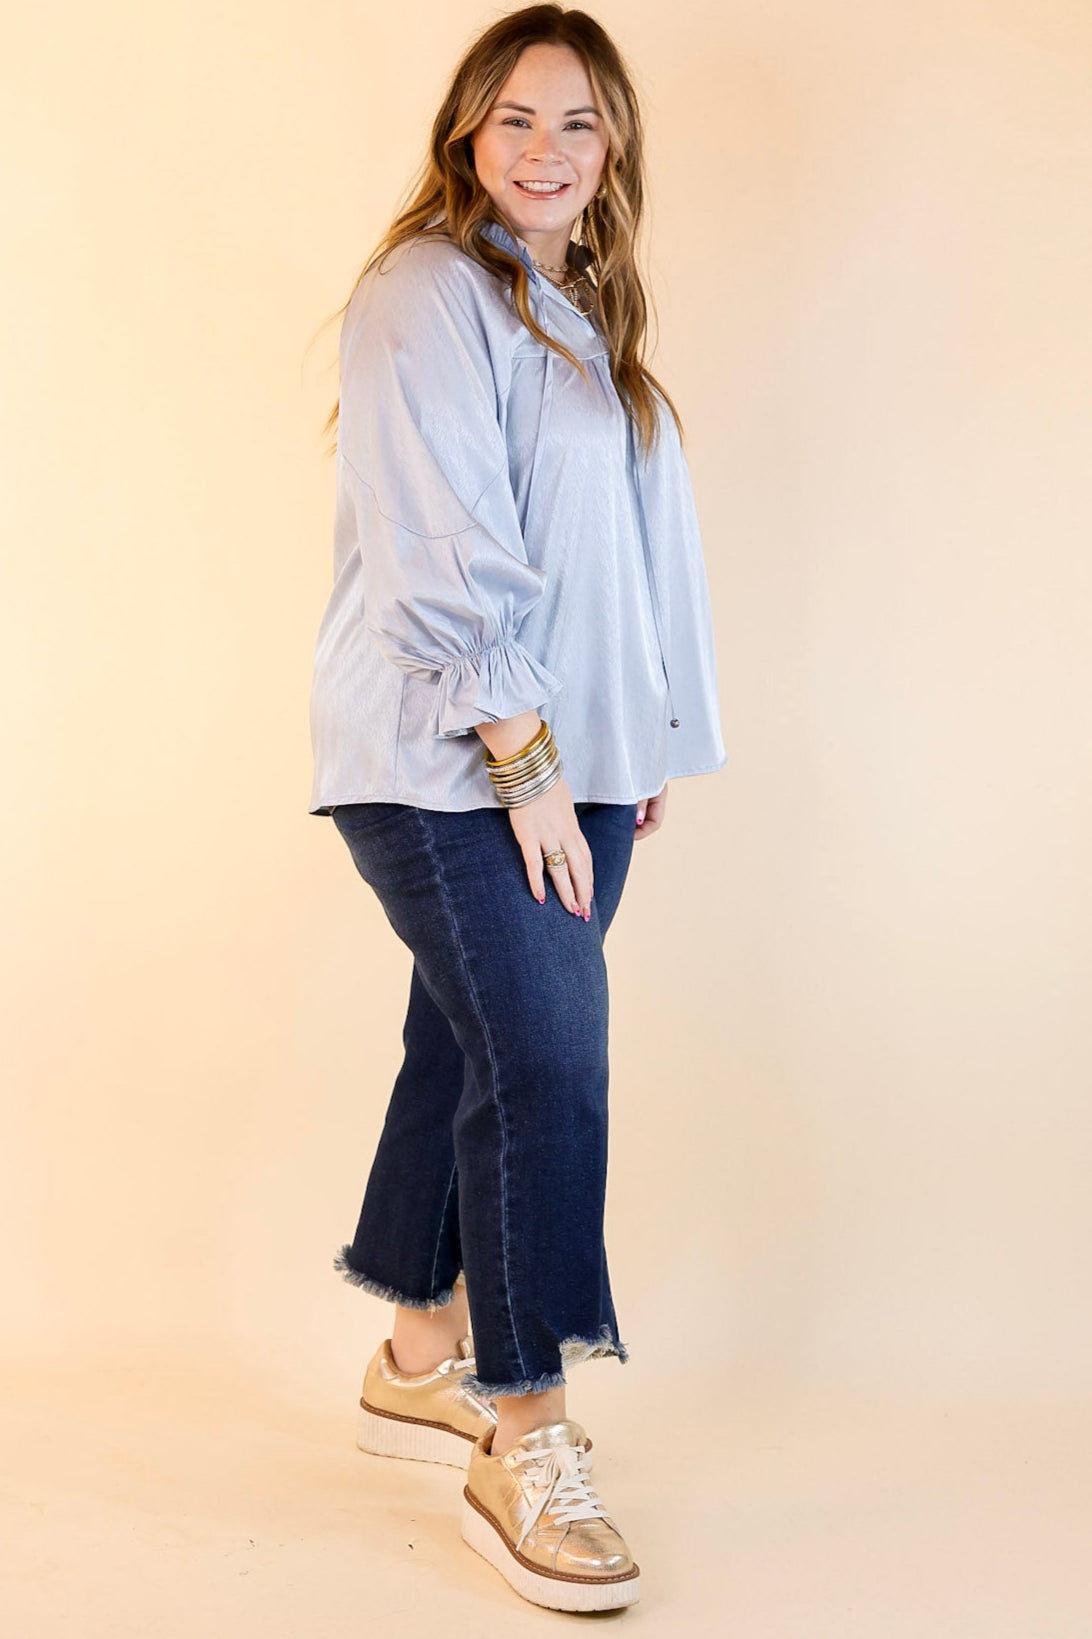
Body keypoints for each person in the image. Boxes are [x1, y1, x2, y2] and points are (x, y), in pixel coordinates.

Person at [307, 3, 727, 1614]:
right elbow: (440, 545)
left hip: (580, 762)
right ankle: (524, 1430)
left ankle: (418, 1356)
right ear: (467, 135)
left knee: (474, 1037)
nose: (548, 150)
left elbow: (616, 560)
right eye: (518, 119)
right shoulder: (427, 292)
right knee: (548, 1054)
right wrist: (531, 762)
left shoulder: (579, 311)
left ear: (614, 150)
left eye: (579, 123)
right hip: (451, 758)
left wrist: (638, 743)